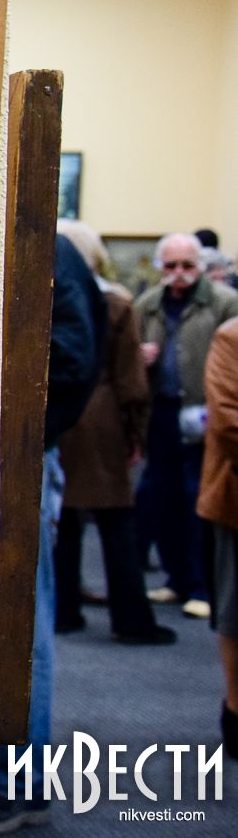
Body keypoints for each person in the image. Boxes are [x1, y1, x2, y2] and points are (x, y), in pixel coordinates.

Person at [0, 234, 105, 835]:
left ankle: (21, 781)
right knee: (19, 622)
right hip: (22, 454)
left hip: (23, 459)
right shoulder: (45, 248)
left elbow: (69, 364)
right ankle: (18, 779)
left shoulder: (45, 247)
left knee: (23, 625)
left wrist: (20, 438)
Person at [53, 221, 174, 644]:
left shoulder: (54, 294)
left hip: (66, 421)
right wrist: (136, 433)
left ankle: (64, 610)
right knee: (117, 523)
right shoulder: (117, 304)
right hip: (104, 423)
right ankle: (132, 619)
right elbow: (131, 381)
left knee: (66, 522)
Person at [134, 233, 238, 620]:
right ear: (160, 267)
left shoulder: (224, 303)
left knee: (198, 498)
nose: (179, 273)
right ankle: (176, 578)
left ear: (201, 267)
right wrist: (139, 356)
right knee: (161, 497)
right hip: (161, 412)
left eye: (187, 265)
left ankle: (201, 586)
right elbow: (128, 353)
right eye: (171, 265)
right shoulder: (148, 304)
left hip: (206, 414)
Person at [199, 318, 238, 756]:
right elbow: (228, 423)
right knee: (233, 613)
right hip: (234, 500)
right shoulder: (232, 337)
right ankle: (236, 711)